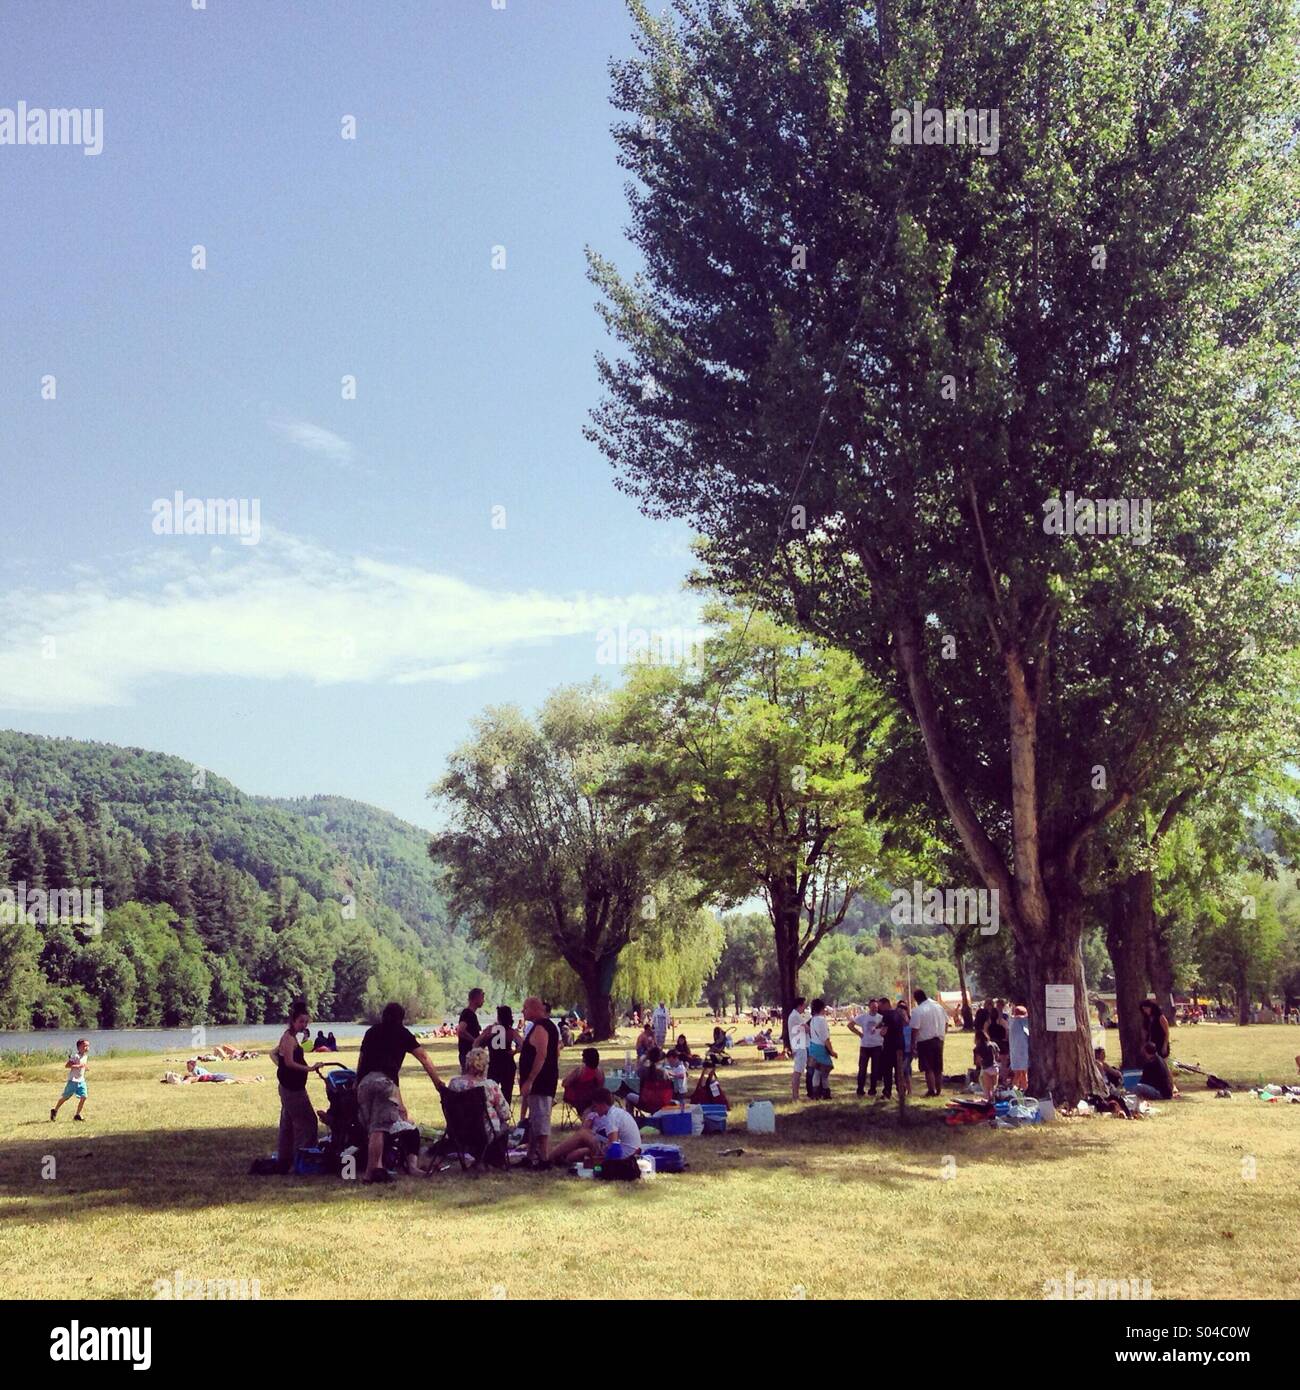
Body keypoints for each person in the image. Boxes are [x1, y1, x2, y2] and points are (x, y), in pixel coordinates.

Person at [355, 1002, 444, 1184]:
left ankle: (378, 1168)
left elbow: (361, 1059)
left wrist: (357, 1083)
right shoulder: (402, 1033)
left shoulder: (371, 1032)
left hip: (364, 1083)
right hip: (383, 1083)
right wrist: (437, 1083)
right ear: (401, 1018)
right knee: (379, 1128)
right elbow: (423, 1057)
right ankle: (370, 1173)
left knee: (373, 1126)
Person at [272, 1002, 323, 1173]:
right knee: (307, 1122)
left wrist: (283, 1069)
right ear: (293, 1021)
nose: (304, 1025)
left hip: (290, 1087)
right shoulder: (288, 1038)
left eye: (306, 1022)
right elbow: (289, 1062)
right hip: (292, 1090)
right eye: (301, 1022)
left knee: (288, 1124)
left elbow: (274, 1054)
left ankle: (285, 1160)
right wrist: (309, 1068)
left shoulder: (291, 1038)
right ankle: (302, 1161)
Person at [518, 995, 560, 1169]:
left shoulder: (542, 1027)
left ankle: (544, 1158)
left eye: (525, 1008)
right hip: (540, 1081)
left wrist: (530, 1080)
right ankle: (530, 1156)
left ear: (535, 1009)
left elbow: (541, 1055)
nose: (523, 1011)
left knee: (541, 1119)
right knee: (535, 1119)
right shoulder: (539, 1026)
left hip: (541, 1081)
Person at [548, 1090, 642, 1168]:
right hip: (630, 1151)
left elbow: (613, 1145)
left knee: (583, 1134)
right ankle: (561, 1159)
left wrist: (600, 1152)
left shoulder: (611, 1118)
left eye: (595, 1106)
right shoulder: (617, 1112)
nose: (595, 1110)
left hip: (624, 1154)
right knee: (576, 1154)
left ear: (602, 1104)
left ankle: (548, 1158)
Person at [447, 1046, 513, 1143]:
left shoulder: (454, 1083)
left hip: (458, 1133)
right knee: (504, 1126)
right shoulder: (490, 1086)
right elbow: (505, 1114)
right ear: (485, 1066)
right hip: (485, 1135)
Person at [476, 1004, 522, 1103]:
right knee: (507, 1094)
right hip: (508, 1065)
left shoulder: (490, 1029)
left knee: (491, 1093)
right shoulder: (510, 1031)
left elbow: (476, 1044)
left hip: (493, 1064)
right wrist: (514, 1052)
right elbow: (522, 1044)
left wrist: (487, 1039)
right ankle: (505, 1114)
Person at [911, 989, 948, 1097]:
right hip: (939, 1040)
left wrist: (913, 1043)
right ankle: (939, 1090)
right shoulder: (938, 1007)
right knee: (938, 1067)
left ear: (916, 999)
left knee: (928, 1068)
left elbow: (915, 1029)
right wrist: (943, 1034)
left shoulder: (918, 1010)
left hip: (925, 1041)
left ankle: (931, 1090)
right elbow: (946, 1023)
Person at [850, 998, 884, 1097]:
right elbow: (850, 1025)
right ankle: (860, 1089)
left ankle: (872, 1089)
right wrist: (860, 1034)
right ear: (869, 1007)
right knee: (862, 1068)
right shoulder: (863, 1017)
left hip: (877, 1046)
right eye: (873, 1007)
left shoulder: (881, 1018)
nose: (875, 1009)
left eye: (876, 1007)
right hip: (865, 1046)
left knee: (875, 1069)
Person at [51, 1038, 91, 1122]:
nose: (87, 1047)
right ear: (79, 1047)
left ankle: (77, 1115)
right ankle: (55, 1110)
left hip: (81, 1081)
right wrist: (78, 1066)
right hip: (73, 1081)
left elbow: (83, 1065)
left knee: (84, 1097)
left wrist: (85, 1068)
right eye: (85, 1046)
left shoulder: (85, 1056)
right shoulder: (75, 1056)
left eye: (88, 1046)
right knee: (65, 1097)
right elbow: (67, 1065)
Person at [877, 998, 908, 1100]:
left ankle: (887, 1092)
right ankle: (901, 1091)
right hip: (900, 1044)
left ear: (886, 1004)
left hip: (890, 1046)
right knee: (899, 1070)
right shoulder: (898, 1014)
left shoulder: (887, 1015)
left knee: (887, 1070)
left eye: (880, 1006)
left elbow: (884, 1032)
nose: (879, 1008)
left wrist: (880, 1032)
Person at [806, 998, 836, 1098]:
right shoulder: (822, 1020)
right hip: (820, 1048)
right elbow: (825, 1038)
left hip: (813, 1047)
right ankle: (826, 1092)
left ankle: (815, 1094)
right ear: (822, 1008)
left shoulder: (813, 1019)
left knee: (817, 1072)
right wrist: (832, 1051)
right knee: (825, 1072)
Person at [562, 1047, 606, 1115]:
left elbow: (565, 1083)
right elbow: (601, 1086)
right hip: (593, 1100)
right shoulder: (600, 1072)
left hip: (577, 1099)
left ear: (584, 1059)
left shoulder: (580, 1071)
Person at [787, 995, 810, 1102]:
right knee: (798, 1071)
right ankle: (795, 1096)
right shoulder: (796, 1016)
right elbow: (806, 1029)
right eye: (804, 1005)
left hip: (799, 1045)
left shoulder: (795, 1015)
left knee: (798, 1070)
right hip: (799, 1046)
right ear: (799, 1006)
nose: (805, 1008)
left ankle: (795, 1095)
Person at [458, 987, 486, 1070]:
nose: (483, 1001)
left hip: (472, 1053)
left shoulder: (472, 1015)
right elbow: (461, 1031)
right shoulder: (467, 1013)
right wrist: (475, 1040)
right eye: (482, 998)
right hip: (467, 1054)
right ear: (475, 999)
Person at [1008, 1004, 1030, 1090]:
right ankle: (1019, 1089)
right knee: (1022, 1073)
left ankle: (1019, 1089)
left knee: (1019, 1073)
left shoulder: (1012, 1023)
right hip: (1022, 1052)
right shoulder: (1021, 1022)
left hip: (1015, 1052)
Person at [974, 1029, 999, 1100]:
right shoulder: (994, 1044)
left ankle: (988, 1104)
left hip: (986, 1069)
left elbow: (977, 1061)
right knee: (993, 1088)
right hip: (995, 1068)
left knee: (987, 1090)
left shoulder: (978, 1048)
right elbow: (997, 1056)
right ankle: (995, 1102)